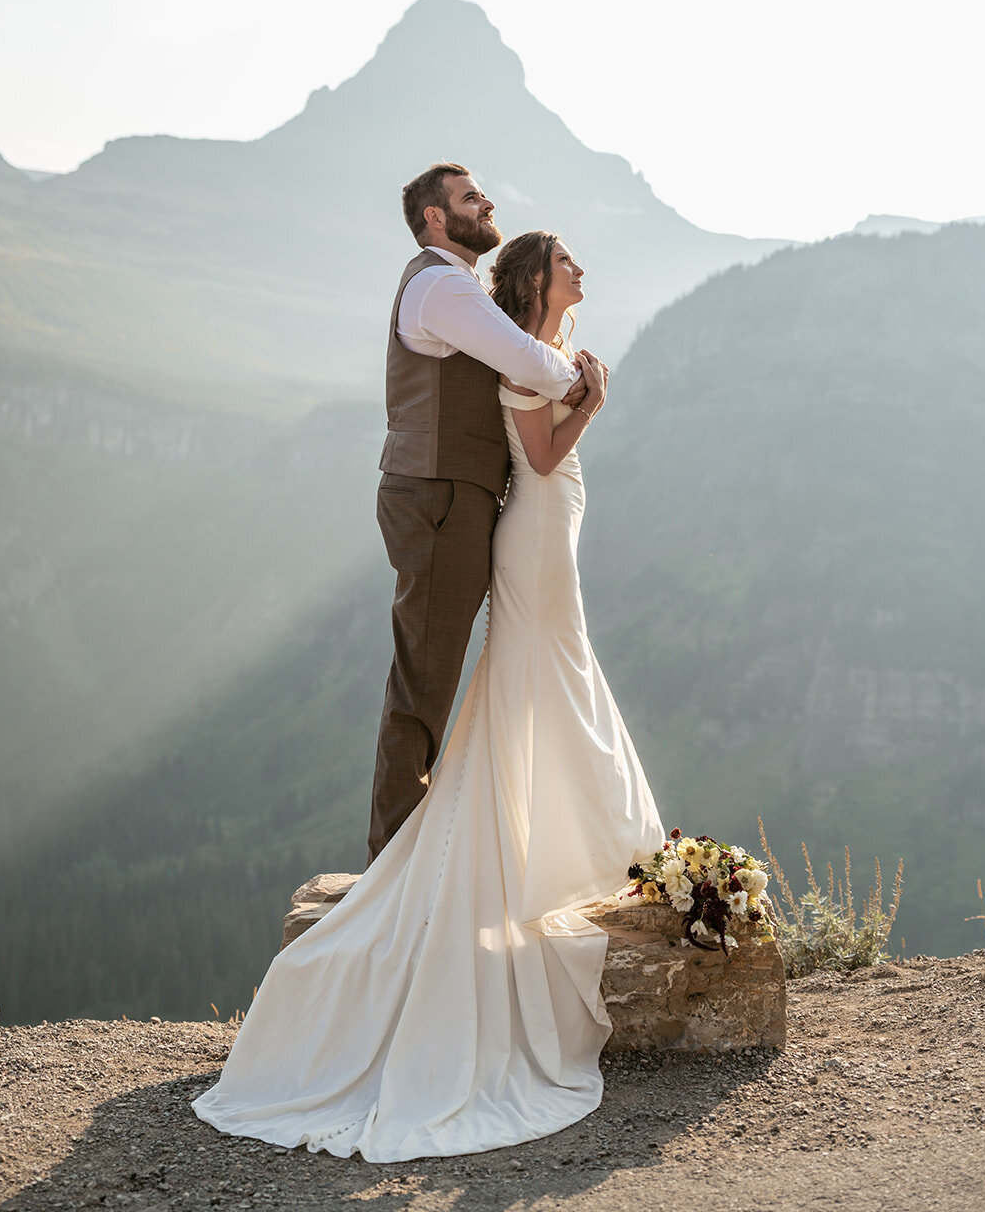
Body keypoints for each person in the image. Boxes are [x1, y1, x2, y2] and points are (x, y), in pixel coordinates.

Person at [192, 223, 665, 1161]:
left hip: (545, 532)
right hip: (531, 534)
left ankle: (562, 835)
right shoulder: (517, 348)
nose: (580, 270)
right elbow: (535, 456)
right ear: (536, 279)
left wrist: (578, 388)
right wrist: (592, 407)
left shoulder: (544, 347)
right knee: (545, 668)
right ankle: (536, 844)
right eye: (566, 262)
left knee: (554, 670)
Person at [369, 163, 587, 863]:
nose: (485, 202)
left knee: (431, 668)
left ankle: (407, 853)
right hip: (437, 494)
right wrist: (581, 382)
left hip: (451, 492)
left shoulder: (450, 284)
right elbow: (532, 364)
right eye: (469, 198)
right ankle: (395, 863)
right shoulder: (439, 285)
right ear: (435, 218)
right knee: (424, 675)